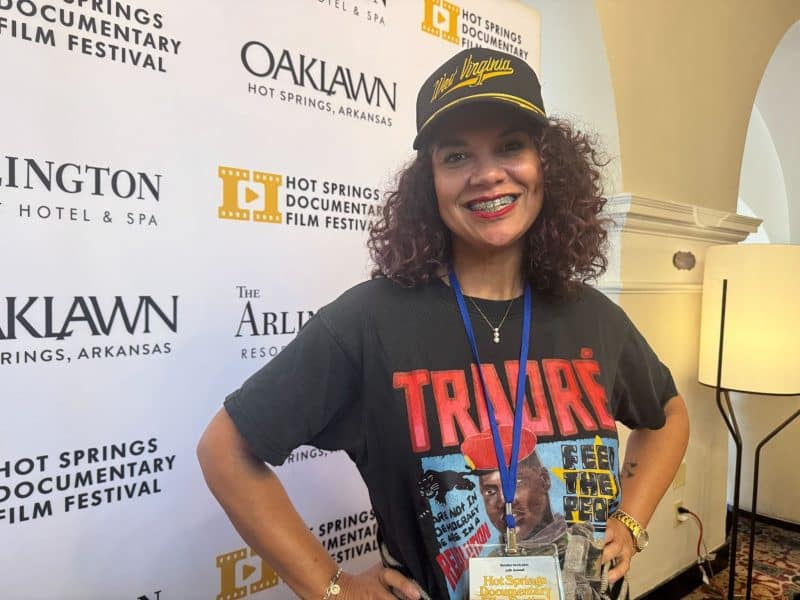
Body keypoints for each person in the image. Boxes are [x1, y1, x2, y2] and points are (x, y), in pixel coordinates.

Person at [197, 47, 690, 600]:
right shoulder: (369, 323)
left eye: (511, 146)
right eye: (456, 156)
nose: (488, 175)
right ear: (428, 182)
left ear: (546, 164)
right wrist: (332, 587)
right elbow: (225, 450)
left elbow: (668, 415)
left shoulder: (594, 317)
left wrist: (630, 520)